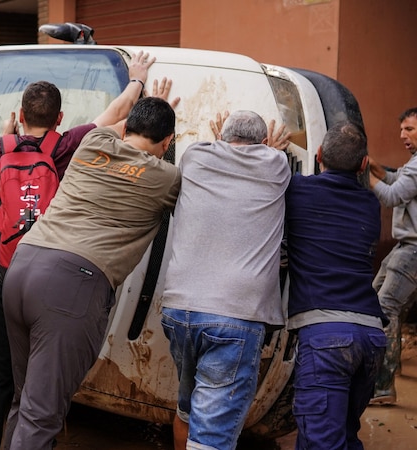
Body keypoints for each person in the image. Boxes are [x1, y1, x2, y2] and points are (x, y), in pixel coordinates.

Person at [0, 51, 167, 450]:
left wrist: (7, 140)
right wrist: (138, 81)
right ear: (59, 118)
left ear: (20, 114)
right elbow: (116, 113)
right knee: (42, 403)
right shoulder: (72, 144)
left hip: (6, 277)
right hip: (64, 285)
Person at [1, 96, 181, 449]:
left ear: (128, 127)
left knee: (24, 403)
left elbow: (114, 124)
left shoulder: (94, 142)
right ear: (168, 142)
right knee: (41, 416)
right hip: (72, 286)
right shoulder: (166, 177)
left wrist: (137, 102)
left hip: (23, 266)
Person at [160, 110, 291, 450]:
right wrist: (271, 149)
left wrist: (219, 143)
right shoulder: (276, 165)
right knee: (212, 436)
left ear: (221, 139)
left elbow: (225, 150)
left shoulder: (195, 157)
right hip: (234, 319)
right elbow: (268, 155)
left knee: (188, 410)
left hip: (179, 311)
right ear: (264, 145)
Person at [286, 121, 387, 449]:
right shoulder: (370, 204)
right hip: (371, 337)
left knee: (323, 442)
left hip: (327, 337)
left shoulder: (297, 191)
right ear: (362, 165)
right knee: (343, 435)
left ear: (318, 156)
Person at [368, 107, 417, 405]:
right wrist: (378, 170)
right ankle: (391, 365)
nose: (402, 136)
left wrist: (365, 175)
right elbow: (398, 179)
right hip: (405, 247)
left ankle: (383, 386)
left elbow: (392, 196)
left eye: (409, 129)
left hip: (412, 249)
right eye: (401, 130)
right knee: (376, 297)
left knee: (385, 307)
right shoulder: (412, 165)